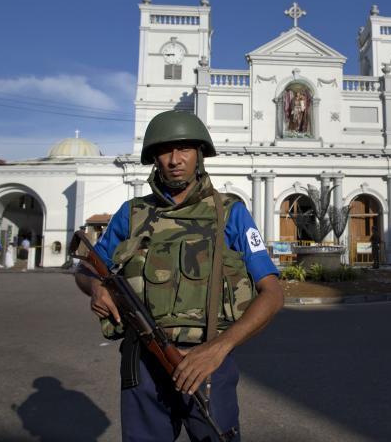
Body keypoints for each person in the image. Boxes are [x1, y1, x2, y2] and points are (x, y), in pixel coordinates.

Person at [75, 110, 284, 441]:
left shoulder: (230, 212)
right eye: (165, 150)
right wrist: (96, 288)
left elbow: (272, 293)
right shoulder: (131, 215)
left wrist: (219, 348)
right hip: (143, 361)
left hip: (208, 361)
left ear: (199, 154)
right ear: (154, 158)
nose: (174, 159)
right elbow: (86, 266)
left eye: (184, 149)